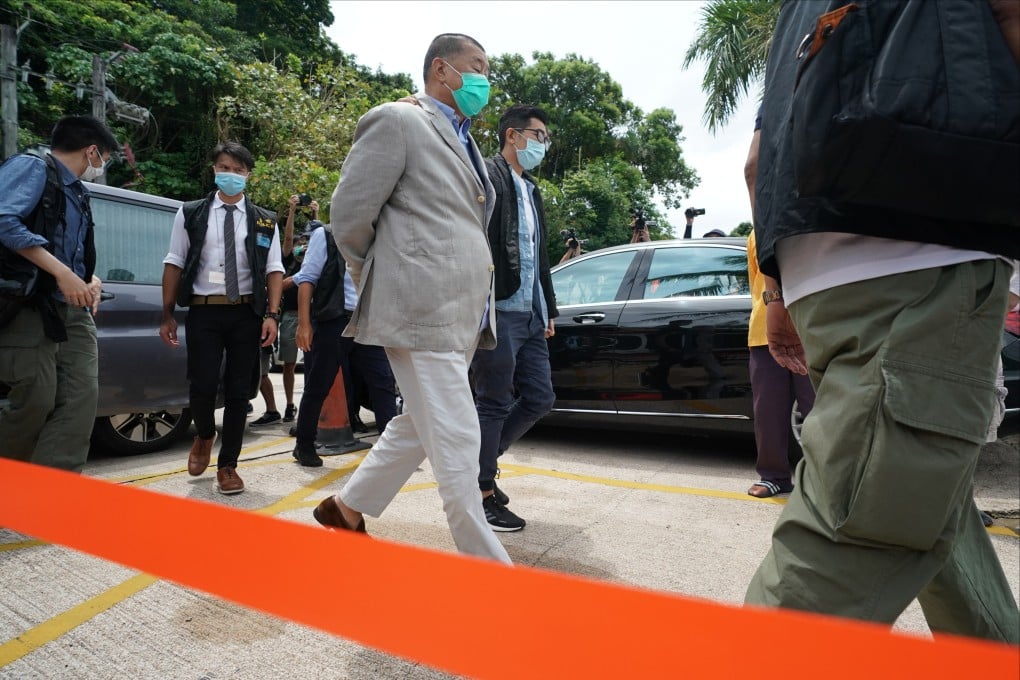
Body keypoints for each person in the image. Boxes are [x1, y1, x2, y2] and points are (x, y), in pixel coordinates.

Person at [744, 0, 1020, 642]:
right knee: (857, 530)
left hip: (816, 271)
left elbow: (757, 163)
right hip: (928, 253)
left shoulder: (795, 11)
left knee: (919, 497)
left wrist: (780, 294)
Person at [311, 33, 512, 564]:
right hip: (418, 307)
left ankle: (346, 508)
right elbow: (349, 214)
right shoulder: (397, 120)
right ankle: (493, 573)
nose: (483, 80)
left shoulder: (465, 139)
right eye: (476, 67)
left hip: (460, 313)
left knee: (418, 426)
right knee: (458, 438)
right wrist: (385, 276)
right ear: (442, 70)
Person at [159, 141, 284, 495]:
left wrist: (272, 314)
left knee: (239, 390)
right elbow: (175, 261)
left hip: (247, 312)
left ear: (248, 175)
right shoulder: (192, 213)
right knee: (201, 383)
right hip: (204, 310)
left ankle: (228, 465)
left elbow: (274, 269)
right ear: (215, 170)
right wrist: (167, 313)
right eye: (224, 168)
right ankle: (204, 434)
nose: (231, 175)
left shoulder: (264, 219)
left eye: (238, 170)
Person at [0, 116, 119, 472]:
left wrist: (88, 277)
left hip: (72, 309)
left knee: (81, 399)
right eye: (105, 158)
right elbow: (4, 220)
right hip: (30, 304)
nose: (102, 167)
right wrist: (63, 274)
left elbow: (65, 250)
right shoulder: (31, 167)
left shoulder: (77, 191)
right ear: (92, 151)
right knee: (34, 398)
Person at [470, 104, 559, 532]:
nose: (543, 144)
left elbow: (539, 257)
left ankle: (480, 465)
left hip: (530, 312)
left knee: (540, 397)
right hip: (498, 309)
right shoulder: (487, 174)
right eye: (538, 135)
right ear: (513, 135)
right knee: (493, 400)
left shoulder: (532, 189)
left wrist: (548, 309)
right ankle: (483, 491)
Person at [742, 119, 815, 499]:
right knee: (768, 412)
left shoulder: (809, 225)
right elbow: (756, 280)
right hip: (762, 330)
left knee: (817, 409)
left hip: (812, 329)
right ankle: (774, 475)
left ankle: (824, 480)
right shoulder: (755, 233)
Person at [291, 222, 397, 467]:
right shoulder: (326, 234)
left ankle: (391, 450)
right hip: (333, 320)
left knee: (383, 382)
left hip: (369, 322)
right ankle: (304, 445)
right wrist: (304, 324)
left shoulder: (380, 234)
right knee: (319, 384)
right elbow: (307, 279)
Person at [251, 197, 319, 426]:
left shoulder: (311, 261)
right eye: (301, 241)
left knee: (290, 364)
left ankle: (290, 404)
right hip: (275, 313)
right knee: (264, 361)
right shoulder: (289, 257)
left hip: (292, 315)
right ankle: (276, 407)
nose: (302, 244)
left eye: (306, 241)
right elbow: (288, 238)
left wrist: (315, 215)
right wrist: (291, 210)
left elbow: (319, 237)